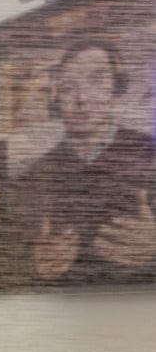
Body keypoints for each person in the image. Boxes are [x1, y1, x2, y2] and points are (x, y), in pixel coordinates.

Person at [13, 38, 156, 288]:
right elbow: (4, 254)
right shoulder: (34, 175)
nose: (82, 98)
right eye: (68, 87)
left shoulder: (151, 154)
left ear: (115, 88)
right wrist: (34, 263)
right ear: (56, 101)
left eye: (97, 80)